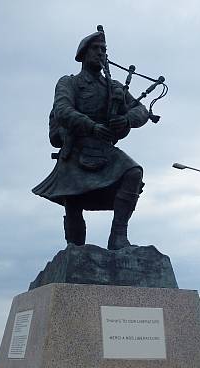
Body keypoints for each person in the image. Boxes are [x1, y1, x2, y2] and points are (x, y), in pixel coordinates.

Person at [32, 28, 149, 250]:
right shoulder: (69, 83)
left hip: (104, 149)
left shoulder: (114, 87)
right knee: (73, 201)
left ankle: (118, 237)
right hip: (76, 149)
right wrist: (91, 126)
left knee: (133, 172)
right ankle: (74, 249)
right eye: (96, 49)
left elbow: (141, 110)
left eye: (104, 50)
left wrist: (126, 120)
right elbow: (62, 110)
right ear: (83, 54)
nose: (100, 53)